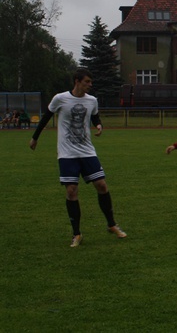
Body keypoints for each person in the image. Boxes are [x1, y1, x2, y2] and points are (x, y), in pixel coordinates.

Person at [28, 68, 127, 248]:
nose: (90, 85)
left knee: (102, 185)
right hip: (67, 154)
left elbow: (95, 116)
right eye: (87, 82)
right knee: (72, 191)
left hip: (87, 151)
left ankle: (111, 224)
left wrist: (99, 126)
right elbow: (46, 117)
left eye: (91, 82)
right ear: (77, 81)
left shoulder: (92, 101)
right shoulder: (60, 98)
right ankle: (77, 234)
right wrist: (35, 138)